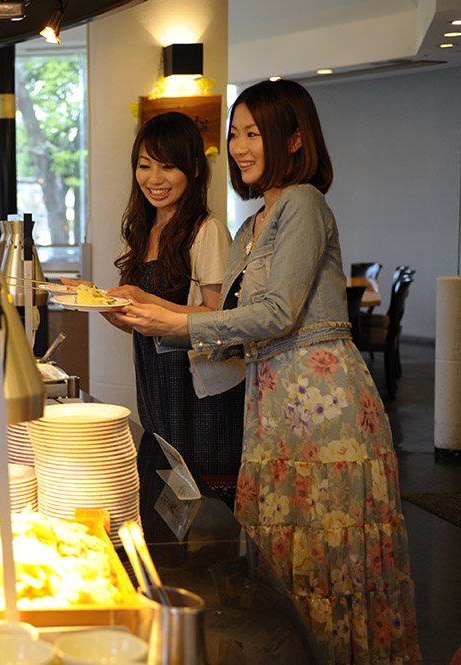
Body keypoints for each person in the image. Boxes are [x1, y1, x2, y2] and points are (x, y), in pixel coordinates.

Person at [116, 80, 420, 663]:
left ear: (296, 138)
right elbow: (229, 321)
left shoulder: (304, 201)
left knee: (331, 560)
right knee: (284, 561)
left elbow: (279, 313)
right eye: (234, 133)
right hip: (269, 400)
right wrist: (150, 313)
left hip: (322, 401)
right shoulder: (253, 224)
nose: (240, 146)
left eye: (254, 133)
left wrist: (172, 325)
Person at [67, 112, 246, 492]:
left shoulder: (206, 229)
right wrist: (101, 304)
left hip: (198, 385)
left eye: (168, 167)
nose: (154, 179)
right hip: (155, 376)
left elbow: (220, 318)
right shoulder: (143, 228)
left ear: (194, 169)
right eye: (145, 165)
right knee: (167, 486)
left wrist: (146, 300)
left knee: (204, 496)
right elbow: (139, 318)